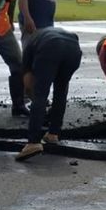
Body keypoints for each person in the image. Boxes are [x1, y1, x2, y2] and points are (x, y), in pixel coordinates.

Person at [16, 27, 82, 161]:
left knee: (41, 94)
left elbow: (28, 83)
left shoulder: (29, 48)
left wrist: (32, 97)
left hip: (51, 47)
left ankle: (33, 142)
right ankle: (53, 133)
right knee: (61, 90)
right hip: (74, 50)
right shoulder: (41, 36)